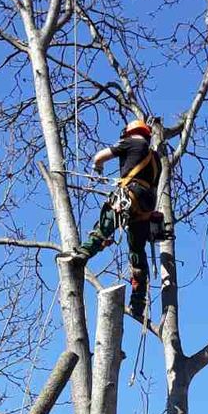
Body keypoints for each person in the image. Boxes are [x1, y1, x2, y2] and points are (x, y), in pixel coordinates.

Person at [67, 118, 161, 322]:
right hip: (146, 206)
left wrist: (97, 167)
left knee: (106, 222)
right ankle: (138, 303)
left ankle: (83, 254)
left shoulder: (131, 142)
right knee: (137, 252)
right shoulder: (156, 157)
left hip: (130, 195)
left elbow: (99, 157)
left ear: (129, 133)